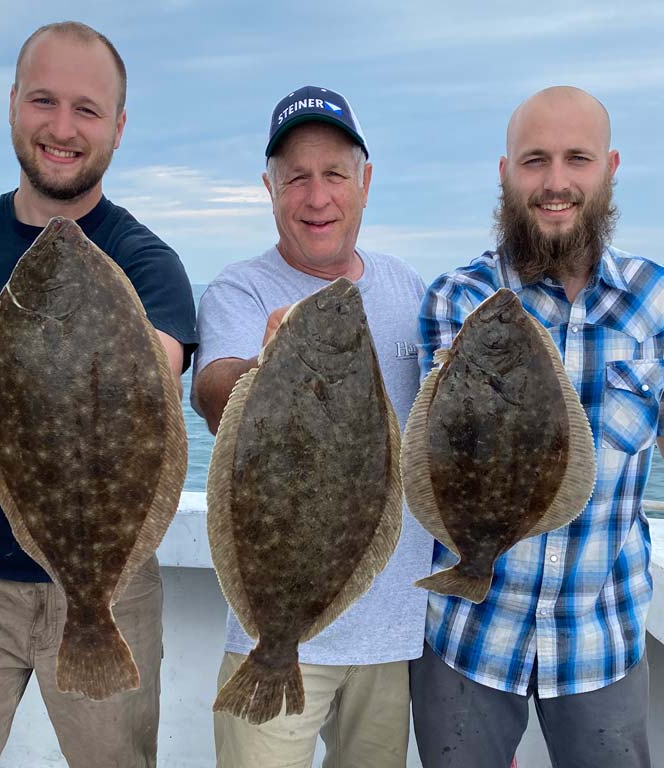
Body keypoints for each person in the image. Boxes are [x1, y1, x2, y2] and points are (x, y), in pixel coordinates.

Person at [409, 85, 664, 768]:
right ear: (505, 174)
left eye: (576, 159)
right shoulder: (456, 298)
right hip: (471, 634)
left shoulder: (658, 295)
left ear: (609, 168)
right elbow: (434, 454)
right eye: (534, 161)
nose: (556, 182)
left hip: (601, 633)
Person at [0, 22, 197, 768]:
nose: (62, 127)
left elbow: (159, 374)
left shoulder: (148, 263)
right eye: (43, 100)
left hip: (108, 582)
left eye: (87, 109)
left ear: (118, 127)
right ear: (13, 103)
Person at [192, 85, 434, 767]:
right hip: (270, 635)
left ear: (365, 183)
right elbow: (212, 393)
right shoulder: (242, 290)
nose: (317, 196)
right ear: (269, 187)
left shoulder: (408, 289)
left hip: (389, 635)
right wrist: (261, 373)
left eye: (334, 174)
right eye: (297, 176)